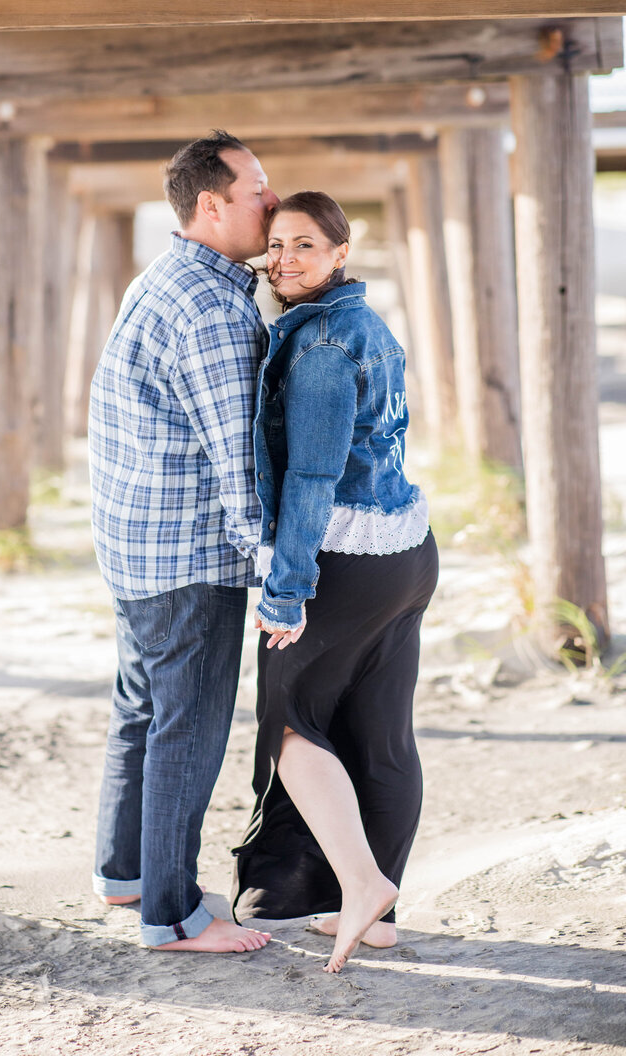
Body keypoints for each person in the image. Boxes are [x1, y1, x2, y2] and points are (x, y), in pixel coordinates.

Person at [232, 191, 439, 974]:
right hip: (405, 551)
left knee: (287, 725)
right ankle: (381, 915)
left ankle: (360, 885)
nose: (284, 260)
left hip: (345, 558)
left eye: (306, 246)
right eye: (276, 245)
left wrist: (286, 590)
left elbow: (312, 480)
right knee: (382, 736)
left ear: (341, 252)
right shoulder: (364, 324)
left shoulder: (321, 347)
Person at [88, 131, 279, 953]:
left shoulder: (165, 277)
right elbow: (239, 460)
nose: (273, 201)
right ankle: (171, 915)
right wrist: (275, 571)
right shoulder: (212, 311)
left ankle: (125, 874)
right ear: (211, 205)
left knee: (142, 712)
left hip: (136, 543)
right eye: (258, 190)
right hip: (190, 557)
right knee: (188, 732)